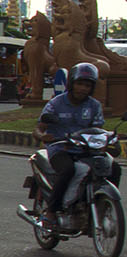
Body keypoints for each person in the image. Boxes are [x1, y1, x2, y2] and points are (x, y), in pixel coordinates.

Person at [35, 61, 104, 227]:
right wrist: (43, 136)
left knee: (111, 167)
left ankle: (102, 204)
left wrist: (108, 140)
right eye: (80, 84)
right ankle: (51, 211)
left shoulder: (94, 105)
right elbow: (38, 128)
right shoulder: (56, 103)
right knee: (67, 170)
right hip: (60, 149)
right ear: (71, 83)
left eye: (87, 85)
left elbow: (98, 130)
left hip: (85, 149)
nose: (83, 88)